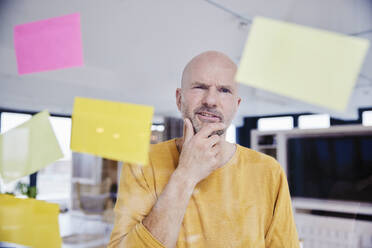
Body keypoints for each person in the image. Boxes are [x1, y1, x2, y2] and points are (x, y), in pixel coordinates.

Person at [108, 51, 299, 248]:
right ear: (179, 99)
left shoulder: (268, 171)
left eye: (224, 90)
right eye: (199, 87)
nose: (211, 100)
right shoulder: (142, 164)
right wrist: (186, 174)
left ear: (237, 105)